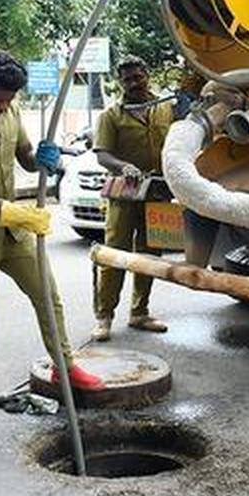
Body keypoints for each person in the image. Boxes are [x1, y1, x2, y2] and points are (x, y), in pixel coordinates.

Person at [0, 51, 104, 417]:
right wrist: (14, 212)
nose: (3, 106)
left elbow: (25, 155)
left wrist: (46, 157)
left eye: (10, 100)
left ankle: (65, 365)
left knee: (47, 294)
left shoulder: (10, 111)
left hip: (12, 233)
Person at [91, 56, 173, 342]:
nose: (134, 83)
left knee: (150, 254)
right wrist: (123, 167)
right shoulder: (111, 115)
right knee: (115, 253)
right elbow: (102, 154)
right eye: (127, 79)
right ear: (120, 82)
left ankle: (140, 312)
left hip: (159, 192)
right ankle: (104, 316)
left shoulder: (166, 107)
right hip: (124, 195)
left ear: (147, 75)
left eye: (138, 77)